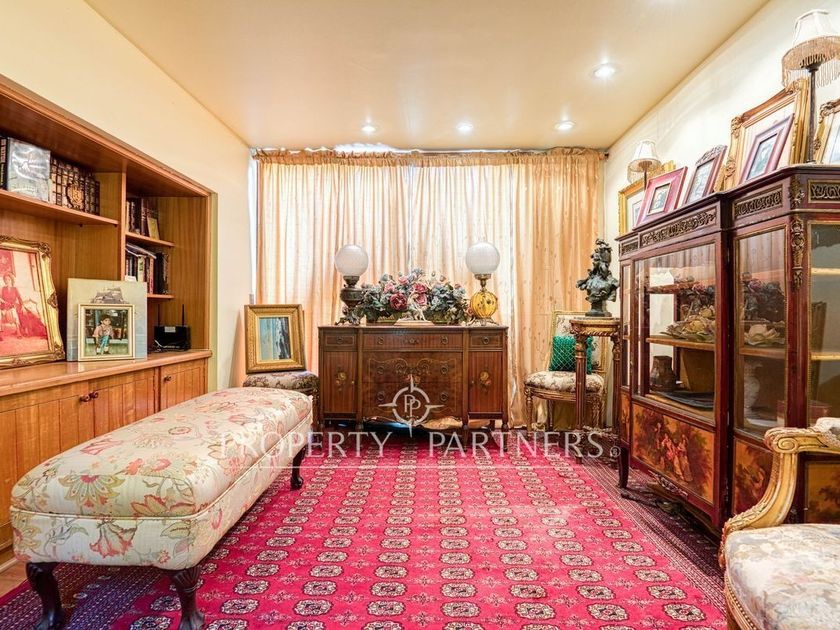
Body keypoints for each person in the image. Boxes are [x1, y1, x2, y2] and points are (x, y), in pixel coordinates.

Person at [0, 273, 24, 339]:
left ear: (11, 280)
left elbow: (19, 298)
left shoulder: (15, 289)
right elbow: (0, 298)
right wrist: (2, 301)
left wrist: (22, 306)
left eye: (8, 279)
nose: (7, 281)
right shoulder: (3, 289)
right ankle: (0, 334)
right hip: (4, 306)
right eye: (5, 279)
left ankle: (18, 332)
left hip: (12, 306)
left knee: (14, 313)